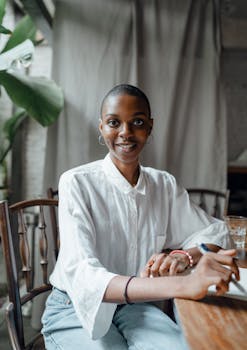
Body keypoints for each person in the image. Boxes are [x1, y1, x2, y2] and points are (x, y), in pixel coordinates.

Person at [41, 84, 238, 350]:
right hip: (74, 307)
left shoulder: (163, 184)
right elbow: (85, 277)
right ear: (101, 128)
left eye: (137, 122)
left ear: (150, 127)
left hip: (136, 308)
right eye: (114, 122)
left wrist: (183, 256)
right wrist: (183, 285)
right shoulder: (76, 183)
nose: (126, 132)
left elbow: (215, 232)